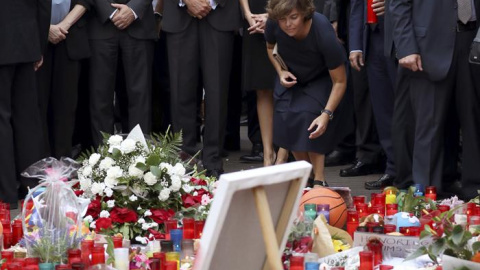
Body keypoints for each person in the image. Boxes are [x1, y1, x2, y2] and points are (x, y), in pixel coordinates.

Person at [390, 0, 480, 199]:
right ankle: (427, 195)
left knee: (472, 118)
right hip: (427, 46)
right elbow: (398, 4)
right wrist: (406, 47)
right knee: (428, 123)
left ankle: (474, 190)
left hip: (472, 39)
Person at [265, 0, 348, 186]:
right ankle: (307, 174)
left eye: (293, 17)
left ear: (304, 13)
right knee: (286, 115)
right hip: (293, 76)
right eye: (283, 19)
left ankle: (319, 179)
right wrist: (280, 71)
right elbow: (270, 48)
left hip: (322, 77)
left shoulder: (322, 31)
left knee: (308, 114)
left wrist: (326, 114)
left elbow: (340, 81)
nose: (288, 24)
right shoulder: (273, 22)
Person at [162, 0, 241, 177]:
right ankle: (184, 158)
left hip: (219, 12)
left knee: (217, 92)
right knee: (180, 91)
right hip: (179, 13)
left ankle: (213, 159)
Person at [0, 0, 51, 206]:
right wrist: (38, 44)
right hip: (26, 40)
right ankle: (32, 192)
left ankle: (5, 195)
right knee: (28, 118)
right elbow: (44, 4)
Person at [87, 0, 156, 146]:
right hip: (100, 22)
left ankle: (140, 158)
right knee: (100, 96)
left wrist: (134, 9)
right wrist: (109, 11)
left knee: (140, 96)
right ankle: (101, 158)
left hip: (139, 22)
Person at [348, 0, 396, 189]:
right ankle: (393, 168)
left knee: (405, 108)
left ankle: (411, 170)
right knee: (382, 109)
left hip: (402, 36)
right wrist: (356, 44)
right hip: (373, 36)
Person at [36, 1, 91, 159]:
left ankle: (63, 167)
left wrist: (64, 25)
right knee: (38, 108)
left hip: (70, 36)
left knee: (66, 108)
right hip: (36, 40)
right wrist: (45, 28)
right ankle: (43, 169)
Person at [240, 0, 289, 166]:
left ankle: (283, 153)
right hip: (253, 16)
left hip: (286, 13)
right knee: (262, 87)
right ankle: (268, 155)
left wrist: (274, 16)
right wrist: (247, 14)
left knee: (289, 86)